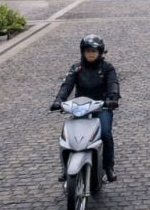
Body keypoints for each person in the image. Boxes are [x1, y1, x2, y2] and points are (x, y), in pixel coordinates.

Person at [51, 34, 120, 182]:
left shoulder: (108, 68)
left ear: (100, 52)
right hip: (80, 107)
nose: (91, 54)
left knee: (105, 133)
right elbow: (67, 85)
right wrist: (59, 100)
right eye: (88, 51)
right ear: (82, 52)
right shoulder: (76, 68)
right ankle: (65, 167)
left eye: (94, 51)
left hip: (102, 107)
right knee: (69, 136)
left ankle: (108, 166)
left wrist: (112, 98)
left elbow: (113, 83)